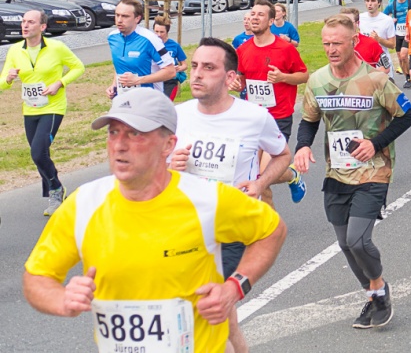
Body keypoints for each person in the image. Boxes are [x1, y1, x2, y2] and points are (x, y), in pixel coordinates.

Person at [23, 89, 286, 353]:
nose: (120, 145)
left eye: (135, 134)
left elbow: (272, 231)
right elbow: (37, 276)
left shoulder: (206, 198)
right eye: (113, 132)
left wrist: (234, 288)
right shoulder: (84, 203)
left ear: (168, 145)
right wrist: (62, 300)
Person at [295, 15, 411, 330]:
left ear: (352, 42)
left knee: (358, 241)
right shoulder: (318, 80)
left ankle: (378, 288)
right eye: (326, 43)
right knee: (345, 244)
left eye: (337, 43)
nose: (331, 49)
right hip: (337, 174)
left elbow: (406, 116)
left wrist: (375, 144)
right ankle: (373, 296)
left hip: (373, 171)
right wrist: (303, 146)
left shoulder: (375, 80)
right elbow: (309, 120)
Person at [171, 37, 292, 353]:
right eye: (195, 65)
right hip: (183, 228)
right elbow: (154, 170)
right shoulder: (176, 115)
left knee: (206, 307)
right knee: (223, 315)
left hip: (229, 229)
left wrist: (260, 183)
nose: (197, 74)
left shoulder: (254, 117)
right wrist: (170, 164)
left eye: (208, 67)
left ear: (230, 78)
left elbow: (282, 155)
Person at [2, 9, 85, 216]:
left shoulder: (56, 47)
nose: (25, 25)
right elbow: (2, 84)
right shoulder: (14, 51)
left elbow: (78, 67)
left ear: (42, 27)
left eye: (30, 22)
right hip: (30, 109)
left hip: (53, 108)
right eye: (23, 21)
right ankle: (55, 188)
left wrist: (60, 82)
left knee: (38, 152)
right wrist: (9, 78)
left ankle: (55, 190)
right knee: (39, 154)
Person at [234, 0, 310, 205]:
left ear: (270, 21)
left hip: (278, 117)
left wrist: (283, 77)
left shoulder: (284, 49)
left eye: (260, 15)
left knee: (264, 175)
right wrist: (235, 85)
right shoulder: (243, 50)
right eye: (252, 14)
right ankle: (268, 228)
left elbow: (304, 76)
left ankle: (292, 175)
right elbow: (241, 82)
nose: (254, 18)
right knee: (255, 179)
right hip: (252, 119)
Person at [107, 0, 177, 98]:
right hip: (123, 100)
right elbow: (121, 65)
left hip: (149, 101)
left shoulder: (150, 39)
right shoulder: (112, 37)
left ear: (137, 18)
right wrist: (114, 85)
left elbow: (170, 72)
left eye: (125, 16)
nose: (119, 20)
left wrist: (137, 80)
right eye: (117, 15)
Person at [359, 0, 398, 79]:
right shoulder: (360, 18)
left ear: (379, 3)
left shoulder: (387, 20)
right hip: (365, 62)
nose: (370, 4)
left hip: (382, 62)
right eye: (367, 1)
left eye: (373, 1)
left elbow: (392, 45)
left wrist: (378, 39)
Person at [384, 0, 411, 83]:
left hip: (408, 32)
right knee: (400, 58)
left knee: (403, 55)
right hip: (397, 33)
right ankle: (408, 77)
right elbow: (383, 15)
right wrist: (390, 19)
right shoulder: (393, 4)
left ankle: (410, 75)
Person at [153, 16, 187, 101]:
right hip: (154, 79)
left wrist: (179, 68)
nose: (159, 35)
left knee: (166, 104)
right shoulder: (149, 45)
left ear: (167, 32)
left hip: (170, 81)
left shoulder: (174, 45)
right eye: (156, 31)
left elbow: (185, 65)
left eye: (162, 32)